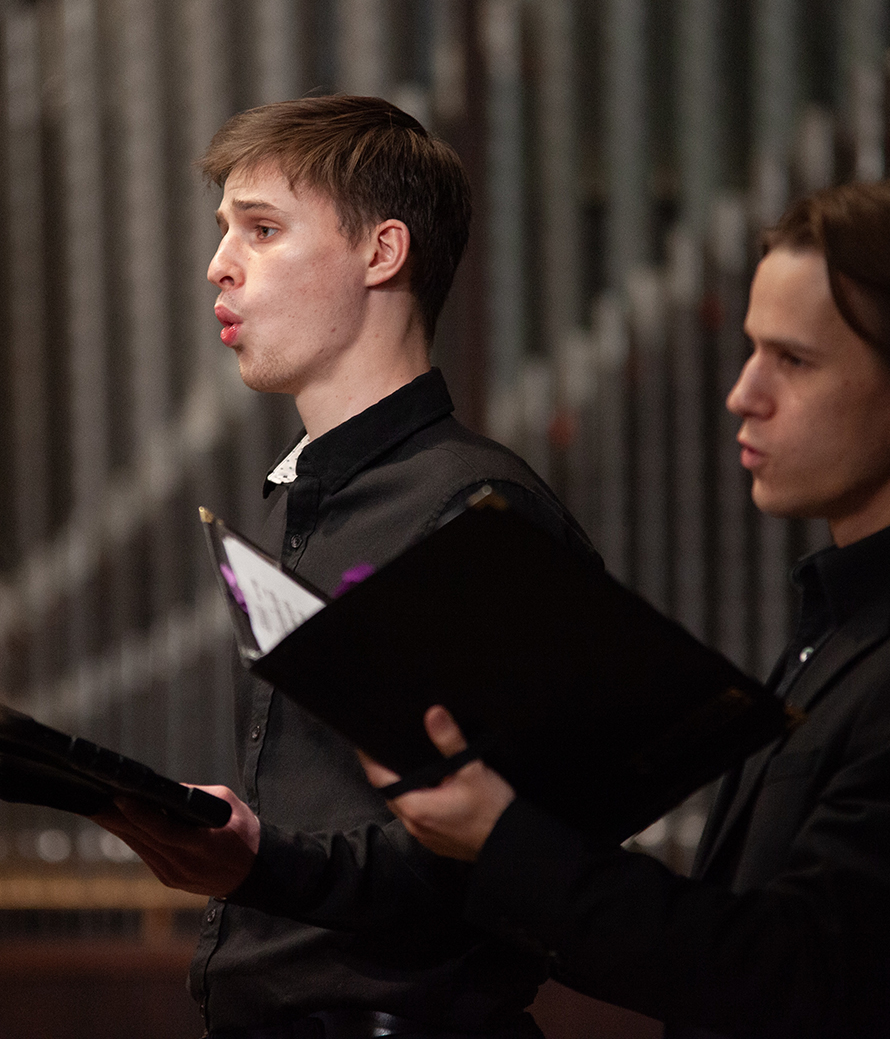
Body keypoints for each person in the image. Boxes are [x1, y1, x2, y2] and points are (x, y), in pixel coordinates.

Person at [367, 180, 890, 1038]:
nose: (742, 393)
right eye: (752, 351)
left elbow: (793, 974)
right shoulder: (855, 622)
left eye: (793, 360)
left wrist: (508, 840)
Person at [96, 95, 593, 1039]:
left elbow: (499, 859)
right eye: (224, 231)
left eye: (264, 228)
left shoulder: (473, 511)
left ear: (382, 253)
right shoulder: (303, 496)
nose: (219, 264)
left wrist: (259, 862)